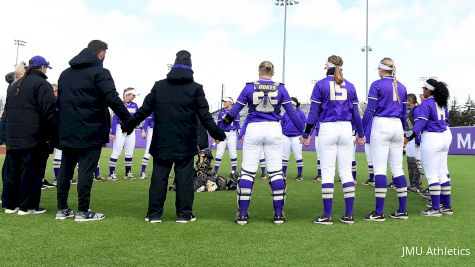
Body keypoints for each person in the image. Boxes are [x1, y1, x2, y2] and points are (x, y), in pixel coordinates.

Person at [121, 50, 226, 224]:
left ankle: (154, 214)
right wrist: (218, 134)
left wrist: (128, 125)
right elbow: (205, 116)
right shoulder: (196, 88)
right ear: (190, 67)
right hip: (185, 142)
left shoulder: (159, 86)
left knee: (158, 177)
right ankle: (184, 215)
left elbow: (144, 110)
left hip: (162, 141)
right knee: (184, 179)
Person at [221, 60, 304, 225]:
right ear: (272, 72)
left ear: (259, 72)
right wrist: (305, 132)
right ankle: (278, 215)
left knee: (247, 172)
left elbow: (235, 111)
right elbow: (292, 114)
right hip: (274, 129)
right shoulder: (280, 87)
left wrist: (221, 127)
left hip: (253, 129)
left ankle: (243, 214)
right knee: (276, 172)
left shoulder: (249, 87)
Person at [56, 40, 131, 221]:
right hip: (91, 129)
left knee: (66, 170)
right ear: (102, 53)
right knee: (86, 171)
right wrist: (129, 120)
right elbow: (113, 98)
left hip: (67, 129)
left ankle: (62, 209)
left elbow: (60, 102)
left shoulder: (65, 74)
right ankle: (83, 211)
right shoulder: (100, 72)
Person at [301, 55, 365, 225]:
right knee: (346, 172)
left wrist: (306, 134)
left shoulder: (321, 84)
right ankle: (349, 215)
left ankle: (327, 215)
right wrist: (361, 133)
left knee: (328, 172)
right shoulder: (350, 86)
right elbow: (355, 114)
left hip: (328, 129)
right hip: (346, 129)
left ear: (326, 67)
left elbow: (313, 113)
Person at [2, 56, 57, 215]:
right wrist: (53, 134)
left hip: (13, 136)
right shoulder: (42, 84)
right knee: (31, 172)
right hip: (33, 137)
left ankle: (10, 206)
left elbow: (8, 112)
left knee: (12, 172)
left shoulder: (13, 85)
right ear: (43, 67)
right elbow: (49, 112)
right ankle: (27, 207)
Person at [362, 57, 408, 222]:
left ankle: (379, 212)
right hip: (397, 126)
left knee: (380, 169)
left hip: (381, 125)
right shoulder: (402, 86)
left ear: (382, 70)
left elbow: (369, 110)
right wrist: (403, 132)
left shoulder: (377, 84)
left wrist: (360, 129)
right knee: (398, 169)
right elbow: (404, 114)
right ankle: (402, 210)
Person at [413, 77, 453, 216]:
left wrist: (408, 137)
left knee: (432, 175)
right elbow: (447, 121)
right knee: (443, 172)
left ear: (428, 90)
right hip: (444, 137)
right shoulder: (443, 103)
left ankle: (435, 208)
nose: (422, 91)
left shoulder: (426, 103)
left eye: (424, 89)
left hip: (432, 137)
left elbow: (420, 124)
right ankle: (446, 206)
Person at [108, 87, 139, 181]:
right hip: (119, 129)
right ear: (127, 95)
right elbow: (115, 119)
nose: (134, 97)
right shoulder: (119, 104)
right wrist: (113, 133)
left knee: (129, 153)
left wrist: (139, 128)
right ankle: (111, 174)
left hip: (131, 130)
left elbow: (137, 118)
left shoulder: (135, 105)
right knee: (116, 152)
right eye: (132, 95)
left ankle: (128, 173)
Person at [281, 97, 306, 181]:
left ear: (296, 104)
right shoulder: (285, 113)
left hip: (297, 136)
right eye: (290, 104)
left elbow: (303, 125)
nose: (291, 105)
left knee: (298, 156)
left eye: (293, 104)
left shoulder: (301, 113)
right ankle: (283, 174)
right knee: (284, 156)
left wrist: (303, 136)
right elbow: (282, 124)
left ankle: (300, 175)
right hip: (286, 136)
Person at [214, 97, 240, 175]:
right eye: (224, 101)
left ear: (231, 103)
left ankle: (233, 171)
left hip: (232, 134)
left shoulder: (235, 113)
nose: (224, 103)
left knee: (233, 153)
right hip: (222, 134)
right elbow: (218, 125)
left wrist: (240, 135)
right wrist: (216, 136)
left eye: (226, 101)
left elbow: (237, 125)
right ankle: (215, 172)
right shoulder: (221, 113)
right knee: (219, 153)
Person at [404, 93, 423, 193]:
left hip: (414, 138)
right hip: (408, 138)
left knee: (417, 162)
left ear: (413, 101)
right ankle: (412, 184)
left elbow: (417, 126)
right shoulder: (407, 110)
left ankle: (418, 185)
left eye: (409, 100)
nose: (407, 102)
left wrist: (417, 139)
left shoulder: (416, 110)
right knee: (410, 161)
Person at [139, 113, 154, 180]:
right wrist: (144, 130)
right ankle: (142, 172)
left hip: (164, 130)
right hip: (153, 130)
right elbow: (147, 120)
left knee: (163, 152)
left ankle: (164, 172)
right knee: (148, 151)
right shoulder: (155, 106)